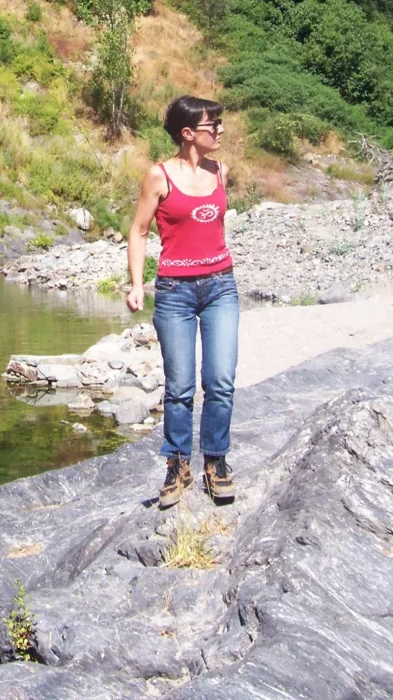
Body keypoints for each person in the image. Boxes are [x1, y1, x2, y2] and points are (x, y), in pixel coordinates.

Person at [126, 95, 238, 508]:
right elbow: (138, 232)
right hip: (174, 292)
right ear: (189, 134)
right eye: (215, 125)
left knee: (221, 381)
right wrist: (137, 284)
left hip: (221, 287)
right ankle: (177, 465)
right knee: (179, 388)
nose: (222, 130)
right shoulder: (158, 176)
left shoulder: (222, 171)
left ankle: (216, 462)